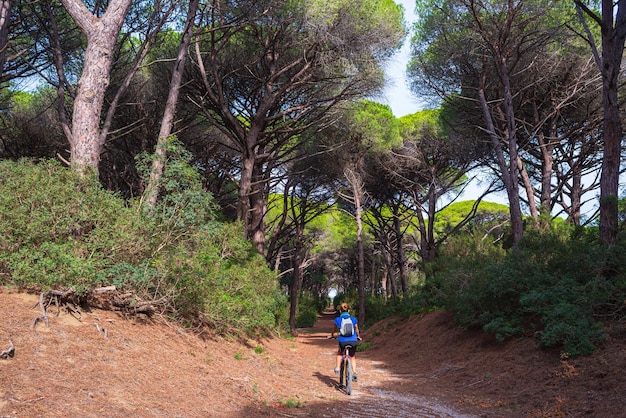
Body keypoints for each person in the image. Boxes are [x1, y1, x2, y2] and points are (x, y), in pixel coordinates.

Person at [330, 302, 361, 382]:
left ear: (340, 311)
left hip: (342, 341)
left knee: (340, 353)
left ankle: (337, 368)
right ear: (349, 310)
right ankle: (354, 372)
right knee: (352, 356)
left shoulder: (338, 320)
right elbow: (356, 329)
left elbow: (334, 329)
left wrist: (332, 335)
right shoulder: (353, 319)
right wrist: (358, 336)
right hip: (353, 341)